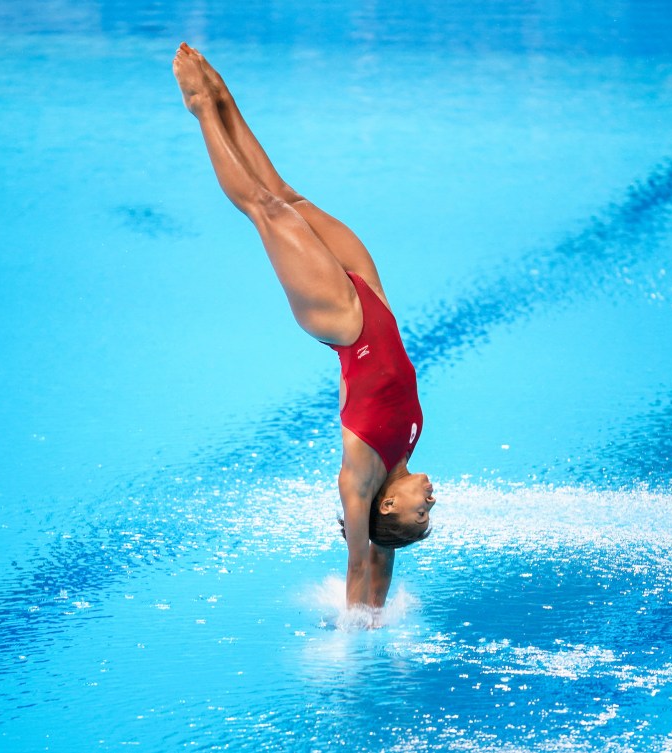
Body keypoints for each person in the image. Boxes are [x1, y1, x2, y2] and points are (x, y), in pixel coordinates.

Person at [172, 43, 436, 612]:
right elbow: (384, 560)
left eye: (422, 510)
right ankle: (223, 98)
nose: (432, 500)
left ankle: (199, 108)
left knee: (266, 210)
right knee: (291, 197)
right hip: (373, 302)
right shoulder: (403, 453)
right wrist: (382, 609)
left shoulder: (359, 478)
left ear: (387, 508)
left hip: (342, 323)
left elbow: (363, 559)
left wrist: (357, 630)